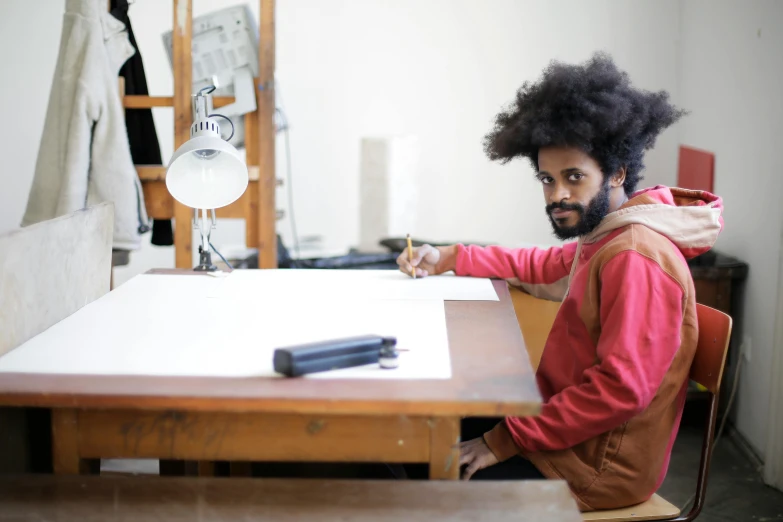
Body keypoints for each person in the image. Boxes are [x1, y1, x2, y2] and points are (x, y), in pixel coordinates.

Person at [397, 52, 724, 512]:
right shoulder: (609, 236)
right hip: (564, 434)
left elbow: (620, 390)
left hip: (594, 467)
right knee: (414, 431)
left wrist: (502, 440)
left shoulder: (636, 256)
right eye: (547, 180)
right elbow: (545, 264)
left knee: (413, 463)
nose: (557, 195)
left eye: (574, 177)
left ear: (617, 172)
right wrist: (450, 256)